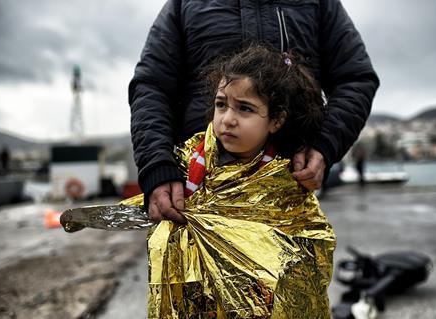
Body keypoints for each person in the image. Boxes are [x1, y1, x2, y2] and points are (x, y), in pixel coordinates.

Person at [129, 0, 379, 223]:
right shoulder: (183, 5)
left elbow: (356, 78)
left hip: (286, 189)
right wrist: (157, 166)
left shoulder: (320, 4)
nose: (228, 118)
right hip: (195, 189)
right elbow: (152, 86)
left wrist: (325, 146)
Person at [145, 45, 336, 318]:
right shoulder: (186, 166)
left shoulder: (286, 182)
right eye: (221, 104)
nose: (227, 119)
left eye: (244, 109)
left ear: (276, 120)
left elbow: (306, 248)